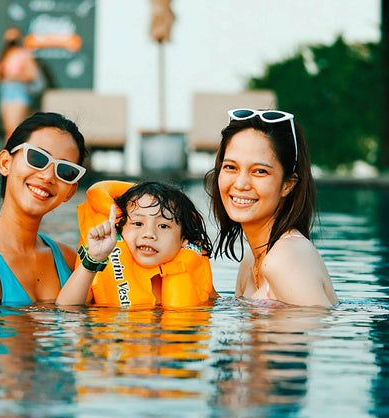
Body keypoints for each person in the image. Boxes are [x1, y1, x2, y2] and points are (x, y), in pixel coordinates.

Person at [0, 112, 117, 306]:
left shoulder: (72, 259)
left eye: (65, 171)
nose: (48, 176)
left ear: (70, 191)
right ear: (5, 163)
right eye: (37, 158)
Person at [205, 108, 338, 307]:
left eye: (259, 171)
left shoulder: (284, 260)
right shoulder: (251, 261)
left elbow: (316, 334)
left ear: (288, 184)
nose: (240, 184)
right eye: (231, 167)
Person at [58, 180, 217, 307]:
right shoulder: (101, 264)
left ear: (184, 239)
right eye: (138, 224)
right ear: (122, 229)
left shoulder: (192, 270)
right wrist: (93, 259)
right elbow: (67, 307)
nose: (149, 234)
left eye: (163, 226)